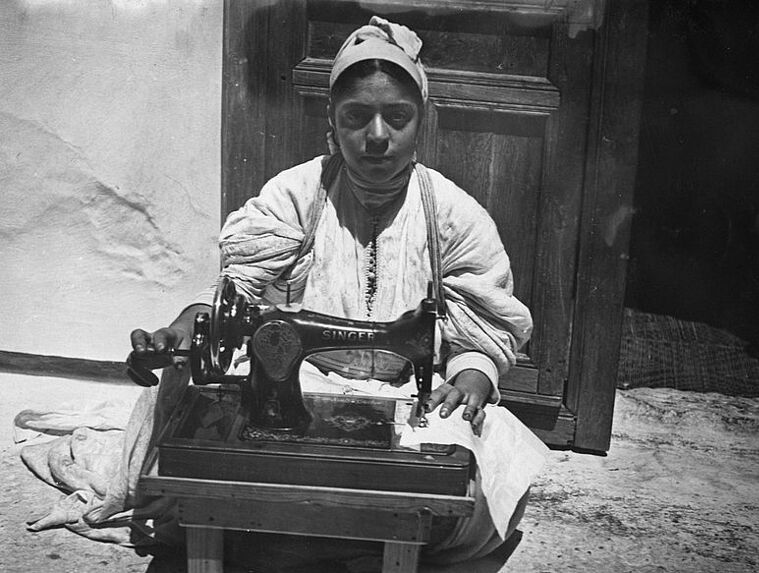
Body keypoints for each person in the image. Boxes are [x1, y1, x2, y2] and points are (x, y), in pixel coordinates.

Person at [21, 16, 547, 570]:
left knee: (477, 452)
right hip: (301, 380)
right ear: (332, 122)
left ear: (423, 122)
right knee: (176, 407)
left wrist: (472, 374)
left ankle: (287, 534)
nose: (376, 136)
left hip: (404, 392)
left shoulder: (454, 215)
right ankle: (320, 535)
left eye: (397, 117)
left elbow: (482, 325)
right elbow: (232, 297)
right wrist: (180, 332)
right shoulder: (298, 194)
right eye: (356, 118)